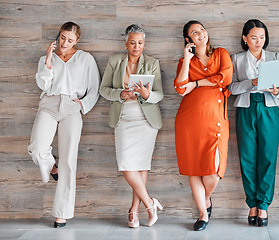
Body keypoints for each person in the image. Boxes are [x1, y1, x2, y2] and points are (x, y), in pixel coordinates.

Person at [28, 22, 100, 228]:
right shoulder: (45, 58)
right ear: (58, 36)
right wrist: (49, 61)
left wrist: (82, 105)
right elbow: (43, 85)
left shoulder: (86, 59)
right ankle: (53, 169)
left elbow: (94, 87)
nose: (65, 43)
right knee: (37, 148)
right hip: (49, 103)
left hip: (71, 106)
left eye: (70, 40)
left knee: (69, 160)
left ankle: (62, 213)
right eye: (62, 38)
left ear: (77, 40)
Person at [99, 24, 164, 228]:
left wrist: (147, 95)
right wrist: (120, 94)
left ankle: (134, 211)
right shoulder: (115, 61)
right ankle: (150, 203)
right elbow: (104, 90)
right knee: (127, 164)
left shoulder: (152, 63)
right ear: (126, 42)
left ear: (145, 44)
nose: (137, 46)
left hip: (146, 120)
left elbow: (160, 95)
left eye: (141, 43)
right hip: (123, 117)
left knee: (141, 165)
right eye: (133, 42)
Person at [174, 20, 233, 231]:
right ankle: (202, 213)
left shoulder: (221, 53)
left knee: (213, 172)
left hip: (216, 118)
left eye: (202, 30)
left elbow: (225, 78)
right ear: (188, 40)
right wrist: (188, 60)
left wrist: (197, 83)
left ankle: (205, 199)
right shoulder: (185, 61)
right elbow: (180, 88)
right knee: (194, 169)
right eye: (194, 33)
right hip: (189, 121)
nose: (200, 34)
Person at [229, 19, 279, 227]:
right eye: (254, 37)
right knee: (247, 158)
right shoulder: (237, 59)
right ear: (245, 38)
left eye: (262, 37)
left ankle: (263, 206)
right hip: (246, 108)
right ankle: (252, 203)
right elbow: (232, 88)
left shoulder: (274, 57)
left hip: (269, 109)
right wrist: (252, 83)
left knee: (268, 158)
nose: (259, 41)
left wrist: (277, 90)